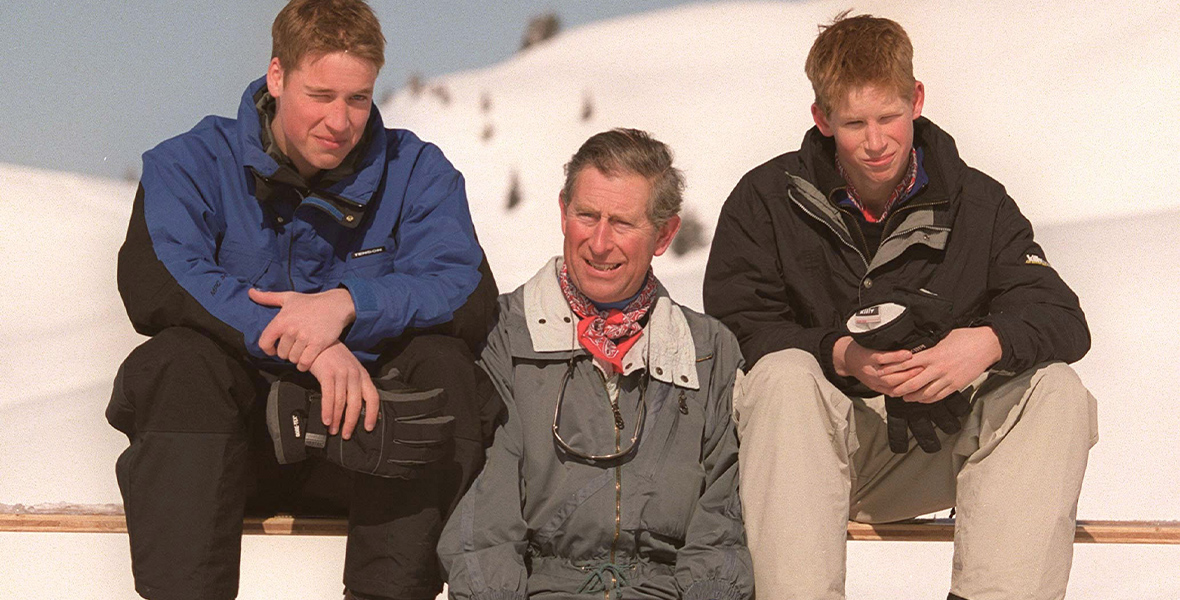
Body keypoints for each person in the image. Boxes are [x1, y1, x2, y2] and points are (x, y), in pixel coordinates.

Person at [104, 1, 500, 598]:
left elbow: (465, 291)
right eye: (320, 95)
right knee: (176, 362)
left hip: (367, 447)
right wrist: (308, 344)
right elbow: (158, 279)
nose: (340, 121)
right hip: (226, 450)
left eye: (358, 99)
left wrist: (348, 305)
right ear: (277, 76)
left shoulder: (416, 170)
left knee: (445, 369)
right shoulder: (189, 164)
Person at [703, 13, 1098, 600]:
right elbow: (733, 331)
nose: (876, 140)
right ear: (822, 119)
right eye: (854, 123)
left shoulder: (978, 203)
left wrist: (982, 344)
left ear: (915, 100)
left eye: (888, 117)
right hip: (797, 461)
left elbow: (1062, 316)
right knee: (783, 375)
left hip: (934, 450)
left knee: (1058, 390)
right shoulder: (766, 200)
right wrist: (840, 354)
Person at [438, 129, 753, 599]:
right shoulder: (502, 336)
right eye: (587, 215)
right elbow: (482, 520)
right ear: (563, 212)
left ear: (665, 233)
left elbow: (723, 525)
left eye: (623, 223)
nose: (599, 243)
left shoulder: (708, 351)